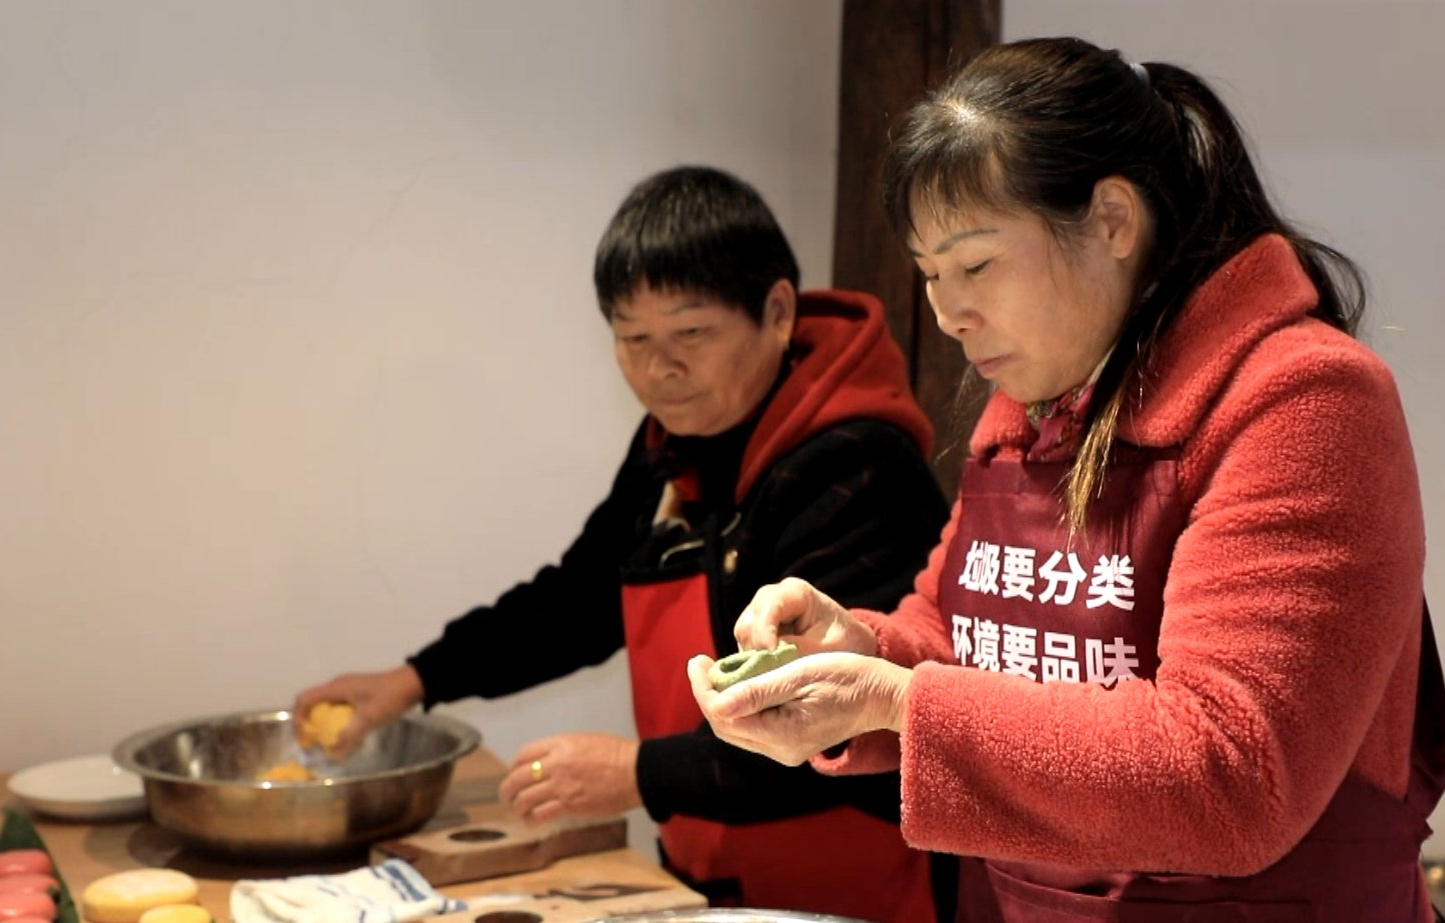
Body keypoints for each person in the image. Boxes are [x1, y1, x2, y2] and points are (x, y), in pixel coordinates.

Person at [688, 38, 1445, 923]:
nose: (946, 312)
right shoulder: (1033, 398)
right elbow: (955, 629)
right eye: (929, 274)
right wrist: (857, 654)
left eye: (974, 265)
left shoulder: (1302, 398)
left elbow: (1228, 773)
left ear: (1113, 221)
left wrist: (901, 701)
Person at [297, 166, 953, 922]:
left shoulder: (856, 464)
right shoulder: (669, 450)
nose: (657, 368)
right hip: (705, 883)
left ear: (776, 312)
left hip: (855, 892)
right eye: (631, 337)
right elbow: (577, 601)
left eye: (690, 334)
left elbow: (842, 718)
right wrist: (414, 678)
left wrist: (638, 772)